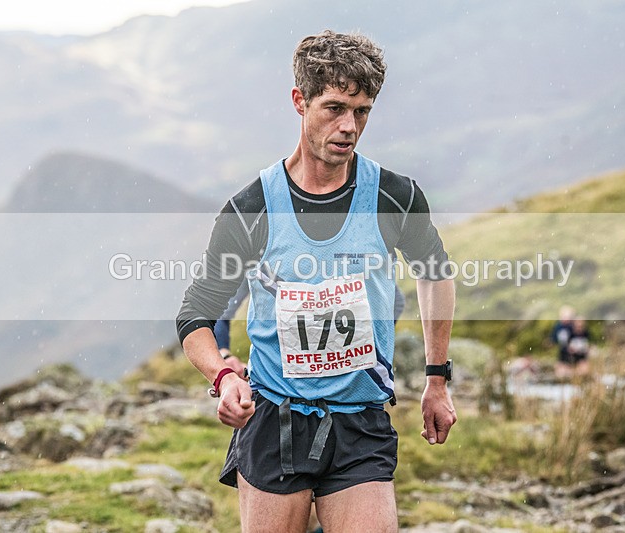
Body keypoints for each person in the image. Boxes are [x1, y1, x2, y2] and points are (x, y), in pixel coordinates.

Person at [176, 30, 456, 533]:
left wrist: (437, 379)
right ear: (299, 101)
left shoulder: (394, 196)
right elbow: (195, 312)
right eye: (333, 108)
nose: (349, 126)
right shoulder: (251, 209)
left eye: (362, 110)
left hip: (361, 420)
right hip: (274, 420)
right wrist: (223, 377)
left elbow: (436, 273)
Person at [215, 282, 406, 376]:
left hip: (349, 385)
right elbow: (219, 310)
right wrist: (225, 356)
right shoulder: (261, 240)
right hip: (276, 386)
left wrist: (364, 347)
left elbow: (395, 300)